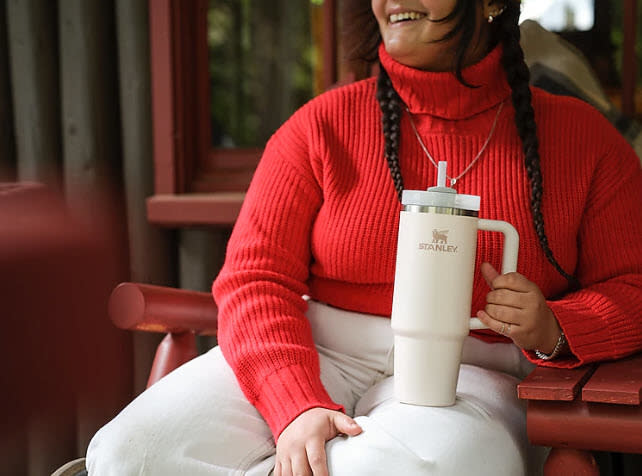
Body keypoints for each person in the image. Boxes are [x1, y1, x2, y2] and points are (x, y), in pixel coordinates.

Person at [86, 1, 642, 474]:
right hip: (315, 347)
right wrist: (295, 403)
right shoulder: (320, 126)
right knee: (129, 453)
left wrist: (557, 327)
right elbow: (255, 279)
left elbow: (633, 285)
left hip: (473, 370)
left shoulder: (581, 139)